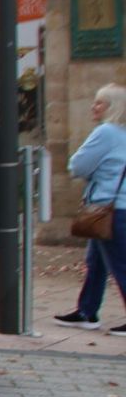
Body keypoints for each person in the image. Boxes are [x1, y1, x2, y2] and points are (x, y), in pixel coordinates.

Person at [54, 83, 126, 336]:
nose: (93, 107)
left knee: (120, 264)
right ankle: (87, 311)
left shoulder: (106, 132)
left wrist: (93, 174)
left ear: (112, 107)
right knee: (96, 262)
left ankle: (88, 311)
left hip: (109, 209)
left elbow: (77, 165)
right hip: (117, 208)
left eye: (100, 103)